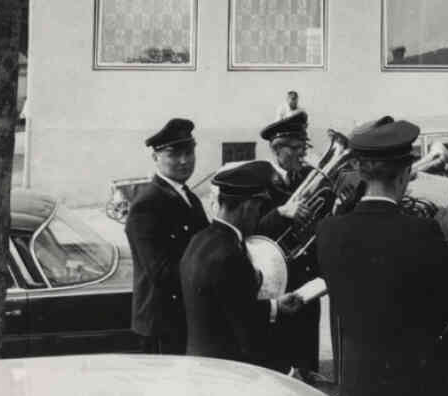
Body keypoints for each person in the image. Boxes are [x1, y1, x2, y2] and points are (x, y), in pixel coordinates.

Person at [317, 117, 448, 396]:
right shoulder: (422, 231)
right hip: (416, 391)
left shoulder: (330, 231)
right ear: (404, 175)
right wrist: (442, 239)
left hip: (358, 388)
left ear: (362, 173)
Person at [179, 160, 303, 365]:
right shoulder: (230, 254)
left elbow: (229, 307)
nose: (258, 216)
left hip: (200, 358)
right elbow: (248, 330)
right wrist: (285, 371)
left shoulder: (199, 239)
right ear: (248, 206)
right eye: (258, 209)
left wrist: (275, 306)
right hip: (227, 367)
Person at [125, 118, 209, 354]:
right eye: (174, 154)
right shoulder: (147, 204)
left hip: (183, 317)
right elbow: (161, 273)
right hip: (161, 325)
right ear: (155, 158)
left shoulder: (189, 198)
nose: (184, 161)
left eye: (189, 152)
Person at [254, 110, 326, 378]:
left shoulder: (307, 175)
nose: (301, 154)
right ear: (276, 149)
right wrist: (281, 214)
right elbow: (250, 233)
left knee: (306, 362)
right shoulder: (258, 179)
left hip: (307, 283)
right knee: (280, 366)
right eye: (294, 148)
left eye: (303, 147)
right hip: (276, 285)